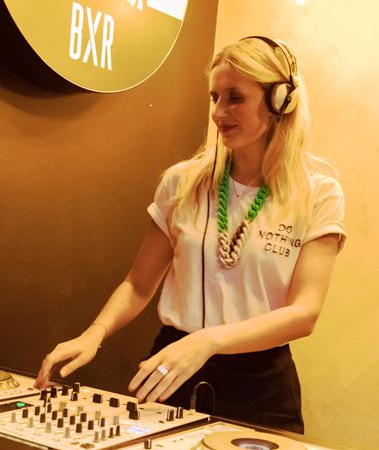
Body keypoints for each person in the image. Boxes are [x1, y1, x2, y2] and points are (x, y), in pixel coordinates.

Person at [35, 36, 346, 434]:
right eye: (215, 97)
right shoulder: (181, 183)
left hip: (262, 388)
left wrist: (207, 341)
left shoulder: (319, 194)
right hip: (171, 372)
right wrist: (94, 334)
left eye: (235, 98)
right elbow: (138, 284)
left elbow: (304, 313)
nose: (219, 112)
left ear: (279, 101)